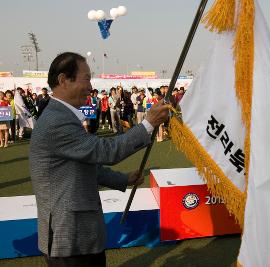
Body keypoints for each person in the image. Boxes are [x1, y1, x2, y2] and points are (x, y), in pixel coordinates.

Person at [29, 52, 169, 267]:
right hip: (69, 238)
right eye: (86, 78)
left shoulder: (63, 115)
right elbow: (106, 151)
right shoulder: (56, 121)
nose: (90, 85)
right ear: (63, 80)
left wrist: (122, 180)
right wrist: (148, 125)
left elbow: (85, 164)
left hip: (79, 235)